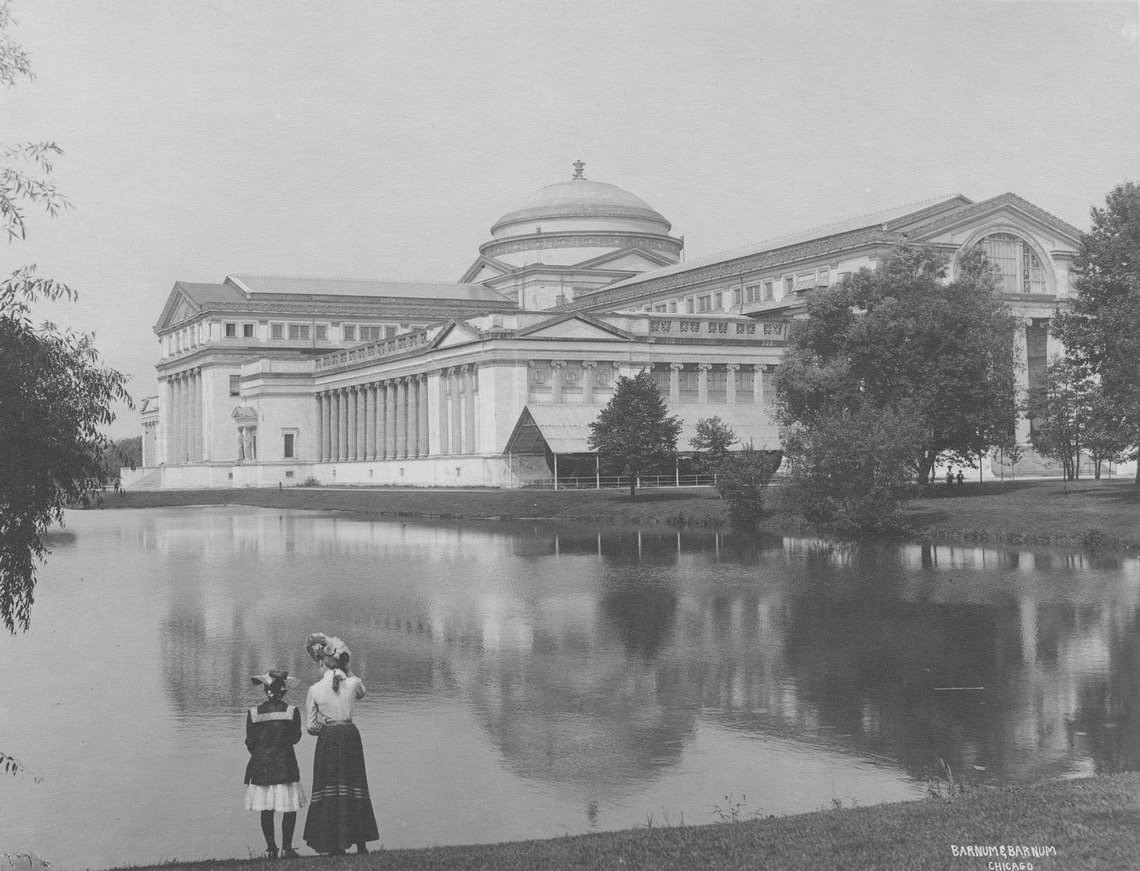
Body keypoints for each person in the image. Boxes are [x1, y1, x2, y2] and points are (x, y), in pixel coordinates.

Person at [302, 633, 379, 855]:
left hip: (329, 738)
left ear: (322, 660)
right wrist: (349, 669)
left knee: (329, 787)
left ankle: (335, 843)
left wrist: (326, 726)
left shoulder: (314, 690)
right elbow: (362, 694)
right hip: (350, 735)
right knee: (355, 785)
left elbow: (311, 727)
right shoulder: (354, 682)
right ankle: (361, 842)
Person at [244, 670, 305, 859]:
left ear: (265, 691)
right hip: (285, 763)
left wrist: (262, 752)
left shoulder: (253, 713)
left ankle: (271, 848)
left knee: (266, 808)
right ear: (283, 692)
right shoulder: (291, 711)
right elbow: (295, 738)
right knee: (289, 807)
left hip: (262, 764)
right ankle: (287, 847)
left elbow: (250, 742)